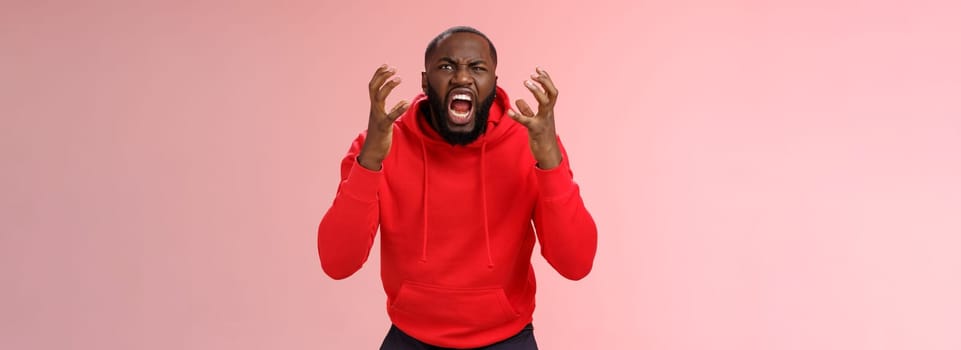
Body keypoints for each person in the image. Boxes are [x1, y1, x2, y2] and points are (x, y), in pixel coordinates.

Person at [317, 26, 598, 350]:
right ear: (425, 81)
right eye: (446, 66)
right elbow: (337, 262)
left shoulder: (531, 145)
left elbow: (576, 263)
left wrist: (551, 162)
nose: (461, 78)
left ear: (493, 82)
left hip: (508, 340)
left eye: (477, 68)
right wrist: (370, 163)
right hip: (410, 339)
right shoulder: (380, 145)